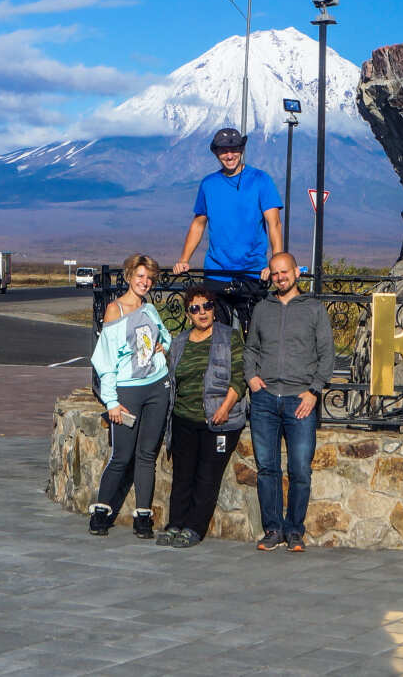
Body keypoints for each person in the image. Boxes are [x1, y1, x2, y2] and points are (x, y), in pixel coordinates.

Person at [244, 251, 334, 553]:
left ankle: (295, 529)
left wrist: (314, 390)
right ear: (271, 275)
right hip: (265, 400)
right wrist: (251, 378)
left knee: (300, 469)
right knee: (267, 468)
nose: (281, 277)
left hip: (300, 401)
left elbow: (327, 354)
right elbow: (251, 349)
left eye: (286, 272)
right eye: (276, 273)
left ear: (297, 273)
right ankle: (272, 529)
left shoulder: (314, 309)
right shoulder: (262, 309)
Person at [86, 253, 172, 538]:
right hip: (127, 392)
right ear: (128, 277)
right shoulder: (115, 310)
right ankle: (101, 512)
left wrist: (163, 348)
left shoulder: (149, 309)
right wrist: (111, 401)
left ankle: (143, 517)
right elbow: (105, 359)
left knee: (146, 455)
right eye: (140, 277)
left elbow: (165, 336)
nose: (144, 283)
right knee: (122, 455)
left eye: (149, 278)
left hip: (156, 388)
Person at [157, 286, 247, 548]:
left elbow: (239, 376)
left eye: (206, 306)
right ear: (188, 314)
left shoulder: (229, 337)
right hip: (184, 418)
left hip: (218, 421)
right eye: (195, 308)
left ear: (214, 307)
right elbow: (171, 379)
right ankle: (175, 524)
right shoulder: (179, 342)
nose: (202, 313)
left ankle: (194, 528)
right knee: (183, 476)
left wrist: (225, 407)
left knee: (207, 476)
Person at [172, 127, 283, 329]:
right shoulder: (209, 184)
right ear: (216, 153)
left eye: (234, 150)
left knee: (254, 334)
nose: (229, 155)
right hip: (216, 273)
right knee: (217, 336)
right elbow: (198, 223)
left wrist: (275, 262)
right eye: (223, 150)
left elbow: (274, 223)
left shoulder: (261, 180)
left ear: (241, 150)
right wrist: (184, 259)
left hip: (252, 272)